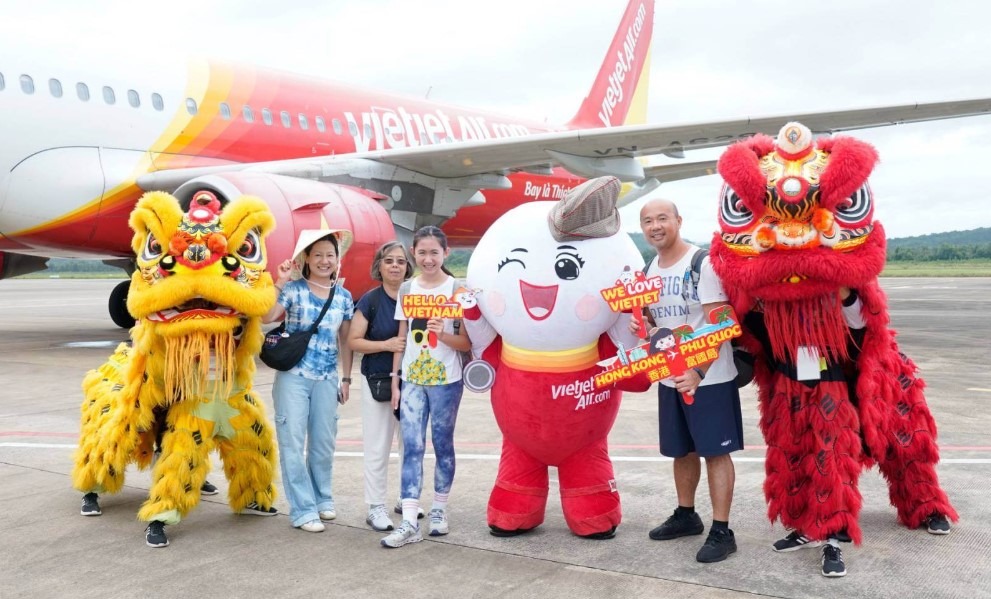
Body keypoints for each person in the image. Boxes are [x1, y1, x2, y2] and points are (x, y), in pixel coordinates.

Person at [635, 197, 742, 563]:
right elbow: (656, 325)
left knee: (715, 452)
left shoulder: (703, 264)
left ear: (678, 220)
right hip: (671, 378)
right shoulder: (649, 269)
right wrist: (644, 327)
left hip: (709, 379)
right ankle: (686, 514)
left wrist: (697, 372)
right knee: (682, 451)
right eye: (647, 221)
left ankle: (722, 530)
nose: (655, 226)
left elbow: (720, 323)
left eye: (662, 218)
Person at [381, 226, 471, 548]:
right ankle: (408, 522)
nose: (428, 259)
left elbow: (465, 342)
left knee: (442, 444)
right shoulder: (407, 289)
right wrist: (396, 380)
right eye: (422, 253)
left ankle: (439, 509)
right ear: (413, 254)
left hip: (447, 381)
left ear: (446, 253)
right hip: (413, 381)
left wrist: (443, 333)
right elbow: (402, 339)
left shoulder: (458, 290)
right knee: (412, 447)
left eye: (434, 252)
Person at [263, 229, 354, 533]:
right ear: (306, 259)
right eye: (318, 255)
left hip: (327, 378)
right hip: (294, 378)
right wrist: (280, 281)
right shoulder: (293, 290)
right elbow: (267, 317)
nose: (325, 260)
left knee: (324, 443)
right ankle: (303, 510)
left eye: (330, 255)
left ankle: (322, 497)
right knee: (292, 442)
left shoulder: (343, 296)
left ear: (337, 259)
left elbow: (346, 340)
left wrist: (346, 378)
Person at [346, 241, 413, 532]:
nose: (395, 266)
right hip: (377, 380)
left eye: (400, 261)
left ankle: (405, 498)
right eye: (389, 261)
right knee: (378, 445)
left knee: (410, 445)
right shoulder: (371, 301)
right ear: (380, 266)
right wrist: (385, 345)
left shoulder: (416, 296)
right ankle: (375, 507)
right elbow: (353, 340)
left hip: (413, 382)